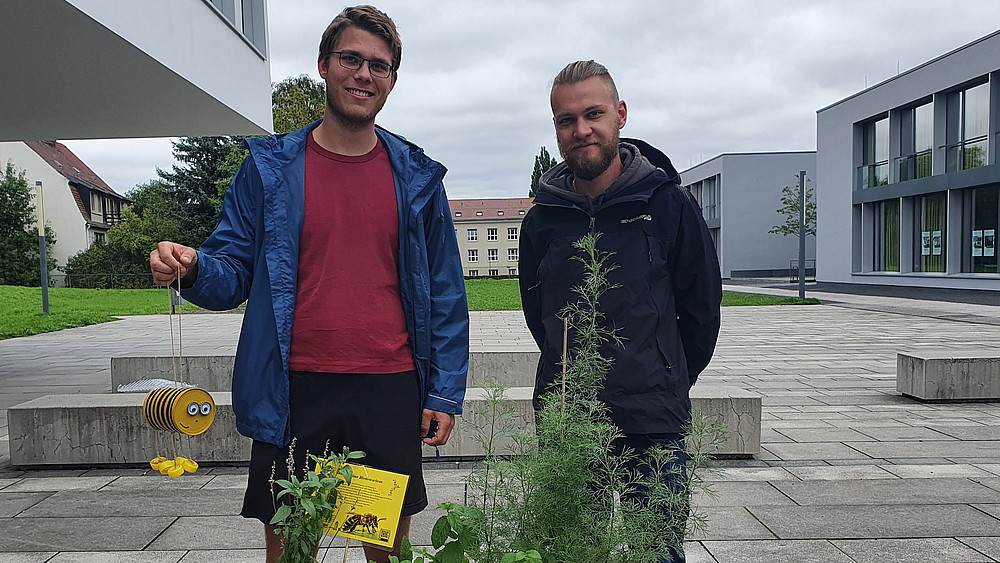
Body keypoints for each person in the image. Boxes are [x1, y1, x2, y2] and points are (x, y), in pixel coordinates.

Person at [149, 6, 469, 562]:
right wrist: (194, 266)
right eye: (351, 59)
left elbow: (445, 291)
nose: (364, 75)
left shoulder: (415, 178)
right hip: (293, 389)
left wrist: (443, 390)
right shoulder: (270, 170)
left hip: (387, 386)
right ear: (324, 65)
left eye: (380, 66)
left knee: (385, 549)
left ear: (392, 80)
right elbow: (231, 272)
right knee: (291, 549)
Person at [518, 60, 722, 563]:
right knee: (572, 553)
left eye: (593, 114)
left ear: (621, 115)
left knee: (656, 552)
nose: (581, 130)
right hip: (570, 420)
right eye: (567, 120)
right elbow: (537, 312)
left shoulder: (668, 203)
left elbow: (701, 308)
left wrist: (666, 374)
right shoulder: (543, 219)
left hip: (653, 420)